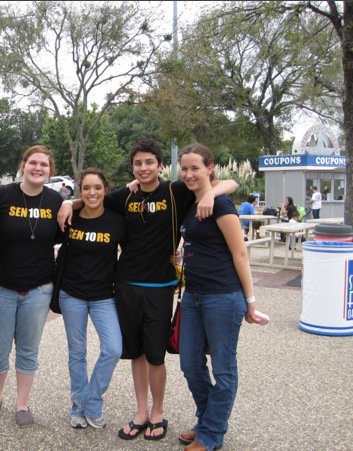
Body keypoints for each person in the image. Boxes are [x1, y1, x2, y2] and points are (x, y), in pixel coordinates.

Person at [58, 140, 238, 442]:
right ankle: (141, 412)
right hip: (126, 284)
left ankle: (157, 412)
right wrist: (67, 202)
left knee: (156, 356)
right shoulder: (124, 196)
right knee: (136, 354)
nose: (144, 168)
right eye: (138, 163)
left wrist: (211, 192)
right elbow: (92, 199)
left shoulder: (175, 191)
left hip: (160, 286)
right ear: (133, 167)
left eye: (149, 163)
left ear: (159, 165)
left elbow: (228, 182)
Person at [176, 143, 265, 451]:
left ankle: (212, 433)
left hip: (223, 297)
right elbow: (233, 181)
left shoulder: (222, 205)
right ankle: (206, 419)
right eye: (184, 168)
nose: (189, 173)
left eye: (195, 168)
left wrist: (250, 302)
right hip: (194, 295)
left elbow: (240, 253)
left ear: (209, 168)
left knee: (224, 369)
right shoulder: (191, 198)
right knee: (189, 363)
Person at [0, 145, 63, 427]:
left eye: (44, 165)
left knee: (28, 349)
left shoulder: (55, 201)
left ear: (50, 170)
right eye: (33, 163)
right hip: (0, 287)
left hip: (38, 289)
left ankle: (22, 404)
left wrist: (71, 204)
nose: (38, 168)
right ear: (23, 165)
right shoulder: (0, 196)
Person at [58, 168, 126, 430]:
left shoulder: (116, 221)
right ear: (80, 191)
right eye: (86, 188)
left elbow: (136, 249)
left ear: (105, 190)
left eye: (97, 187)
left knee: (113, 349)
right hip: (71, 294)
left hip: (103, 296)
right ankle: (79, 408)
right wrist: (66, 203)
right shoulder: (70, 216)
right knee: (77, 353)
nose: (92, 192)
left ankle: (89, 399)